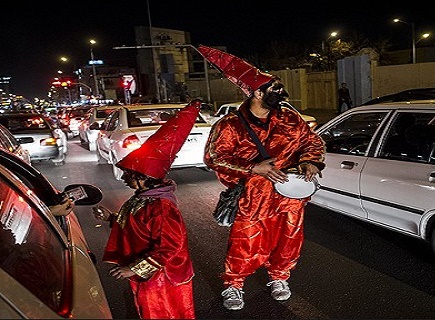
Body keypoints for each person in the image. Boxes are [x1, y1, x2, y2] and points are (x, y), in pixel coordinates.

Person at [198, 45, 326, 311]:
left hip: (291, 196)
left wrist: (310, 161)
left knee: (289, 240)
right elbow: (214, 158)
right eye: (276, 89)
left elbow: (312, 142)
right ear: (257, 92)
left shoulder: (290, 117)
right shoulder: (229, 124)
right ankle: (234, 284)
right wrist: (253, 168)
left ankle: (280, 278)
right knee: (245, 242)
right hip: (253, 197)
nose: (283, 93)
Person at [92, 100, 202, 319]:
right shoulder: (144, 199)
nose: (124, 178)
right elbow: (139, 227)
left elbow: (169, 248)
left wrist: (135, 268)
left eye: (129, 175)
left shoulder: (161, 208)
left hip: (162, 277)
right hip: (151, 274)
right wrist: (112, 218)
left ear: (145, 178)